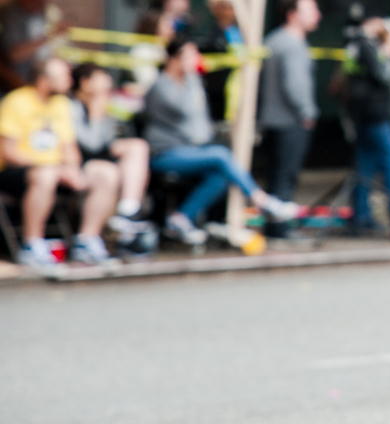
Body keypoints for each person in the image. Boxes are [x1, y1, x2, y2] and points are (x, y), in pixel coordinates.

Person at [145, 38, 300, 245]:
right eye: (190, 55)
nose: (196, 60)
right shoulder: (161, 85)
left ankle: (181, 218)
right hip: (165, 153)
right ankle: (261, 200)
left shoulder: (191, 82)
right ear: (174, 59)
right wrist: (193, 78)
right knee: (221, 155)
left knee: (221, 175)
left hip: (191, 150)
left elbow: (201, 121)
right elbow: (186, 110)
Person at [2, 57, 122, 269]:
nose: (69, 81)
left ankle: (87, 240)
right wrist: (51, 167)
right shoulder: (16, 101)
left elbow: (68, 146)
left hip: (56, 170)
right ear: (44, 80)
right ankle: (32, 244)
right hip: (17, 171)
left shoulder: (61, 104)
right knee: (45, 174)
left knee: (106, 172)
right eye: (63, 76)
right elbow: (8, 151)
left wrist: (73, 168)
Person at [341, 10, 390, 234]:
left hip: (362, 113)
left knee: (364, 165)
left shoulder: (354, 42)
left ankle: (361, 216)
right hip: (376, 113)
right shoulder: (366, 44)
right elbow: (383, 76)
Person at [259, 0, 322, 202]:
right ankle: (281, 227)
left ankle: (275, 223)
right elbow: (295, 85)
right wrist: (306, 112)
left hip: (273, 120)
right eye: (311, 10)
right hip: (289, 121)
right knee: (286, 176)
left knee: (276, 175)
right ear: (292, 15)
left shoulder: (274, 39)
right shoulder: (292, 45)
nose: (317, 15)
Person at [72, 62, 152, 229]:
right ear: (86, 83)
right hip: (80, 160)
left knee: (138, 146)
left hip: (100, 155)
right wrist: (96, 115)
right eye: (102, 79)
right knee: (109, 172)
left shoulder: (105, 103)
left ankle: (128, 210)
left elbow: (107, 141)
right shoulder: (71, 107)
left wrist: (106, 113)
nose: (108, 83)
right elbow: (91, 145)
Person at [0, 0, 69, 94]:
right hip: (16, 84)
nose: (42, 2)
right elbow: (14, 55)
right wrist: (50, 36)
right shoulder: (10, 15)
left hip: (39, 84)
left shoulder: (44, 13)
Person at [201, 0, 245, 123]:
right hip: (219, 93)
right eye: (226, 6)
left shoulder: (243, 31)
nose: (231, 10)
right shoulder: (211, 37)